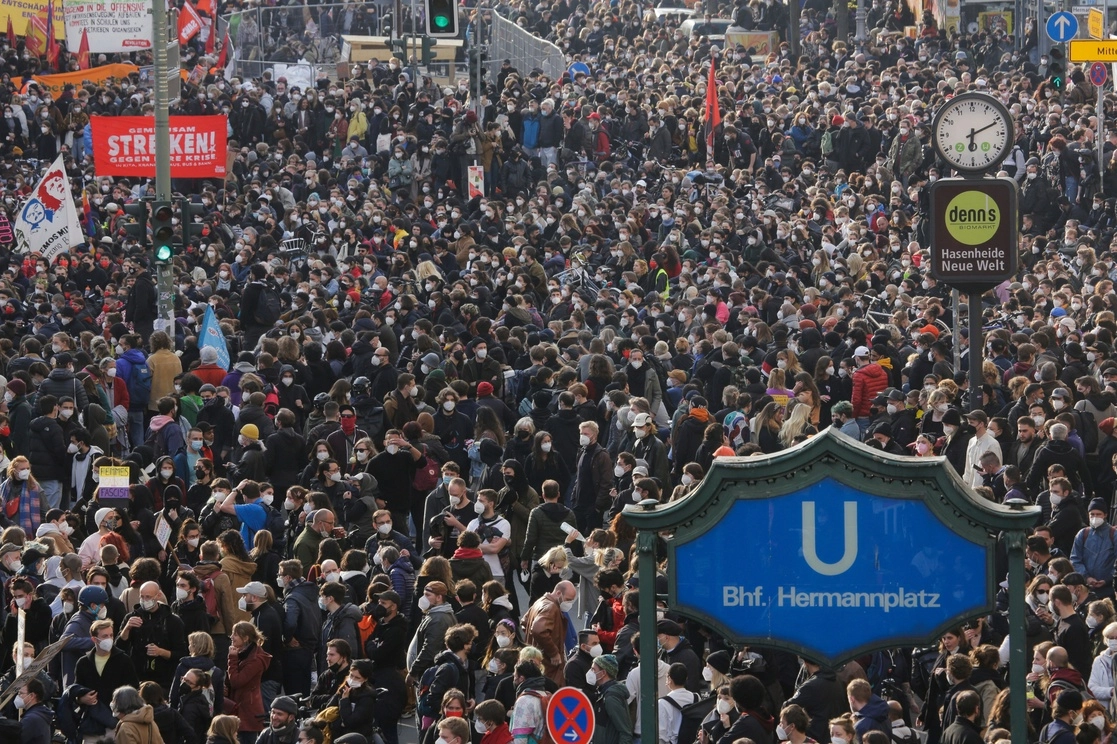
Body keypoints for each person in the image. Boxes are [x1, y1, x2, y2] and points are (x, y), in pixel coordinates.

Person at [523, 580, 576, 686]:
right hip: (548, 664)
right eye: (568, 600)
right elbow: (539, 630)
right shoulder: (551, 607)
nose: (569, 604)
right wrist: (553, 652)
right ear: (558, 593)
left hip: (537, 658)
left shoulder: (540, 602)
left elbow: (525, 622)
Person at [226, 621, 271, 744]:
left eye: (235, 634)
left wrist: (232, 659)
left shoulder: (256, 659)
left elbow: (236, 681)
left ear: (245, 638)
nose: (231, 637)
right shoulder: (242, 653)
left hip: (248, 711)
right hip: (238, 707)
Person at [589, 653, 633, 744]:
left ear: (603, 673)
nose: (590, 672)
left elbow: (625, 732)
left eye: (593, 669)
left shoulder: (611, 697)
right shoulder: (603, 694)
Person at [658, 662, 698, 744]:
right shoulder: (696, 698)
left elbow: (661, 735)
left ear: (670, 680)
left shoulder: (662, 703)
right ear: (686, 678)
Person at [17, 678, 52, 744]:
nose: (18, 696)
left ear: (32, 695)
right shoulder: (40, 713)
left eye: (20, 693)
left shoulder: (31, 719)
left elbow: (18, 740)